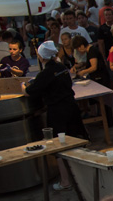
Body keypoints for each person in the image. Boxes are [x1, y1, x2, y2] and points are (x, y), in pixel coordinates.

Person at [25, 41, 88, 191]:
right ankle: (82, 176)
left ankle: (66, 181)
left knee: (61, 145)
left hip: (58, 111)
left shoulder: (45, 73)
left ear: (41, 57)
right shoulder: (62, 68)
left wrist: (24, 87)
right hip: (71, 107)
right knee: (76, 140)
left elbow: (30, 91)